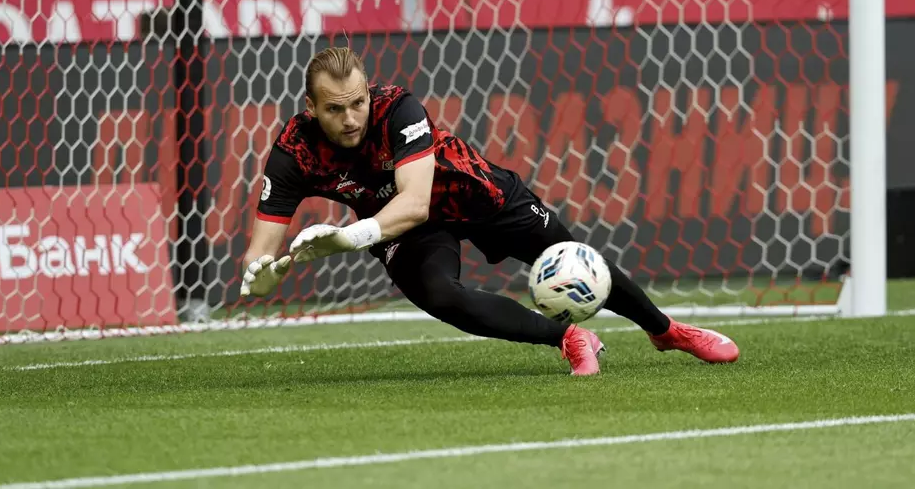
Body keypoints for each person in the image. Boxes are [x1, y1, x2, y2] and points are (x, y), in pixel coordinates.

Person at [239, 47, 740, 375]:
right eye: (334, 109)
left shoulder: (397, 109)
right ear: (311, 108)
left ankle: (666, 331)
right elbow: (258, 256)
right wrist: (263, 276)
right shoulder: (294, 152)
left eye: (357, 103)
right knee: (442, 296)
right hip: (408, 231)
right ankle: (568, 338)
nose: (350, 119)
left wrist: (350, 238)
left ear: (368, 94)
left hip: (474, 194)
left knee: (571, 257)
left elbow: (414, 201)